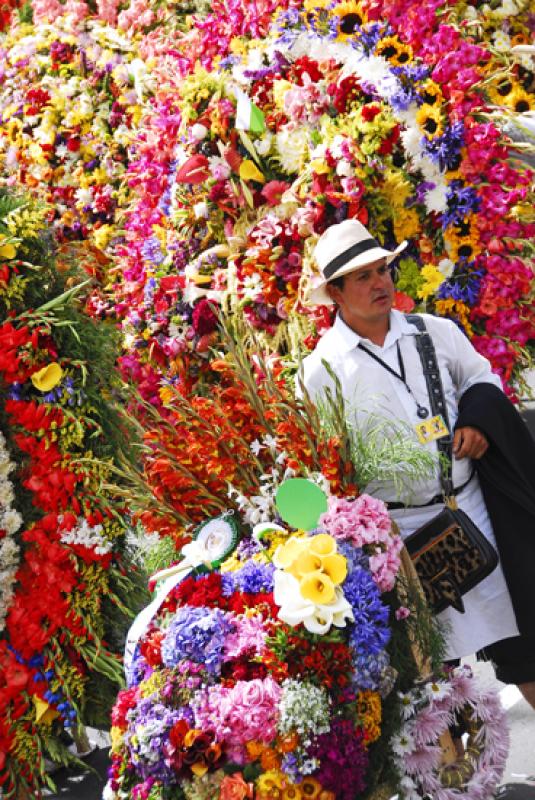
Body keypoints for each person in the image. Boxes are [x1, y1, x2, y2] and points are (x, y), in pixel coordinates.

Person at [299, 218, 535, 707]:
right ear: (336, 294)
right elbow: (321, 461)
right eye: (362, 277)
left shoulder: (435, 332)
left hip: (473, 513)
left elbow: (481, 379)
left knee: (527, 650)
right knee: (429, 682)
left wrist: (476, 422)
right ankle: (456, 778)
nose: (380, 282)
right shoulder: (321, 370)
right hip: (402, 543)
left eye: (382, 269)